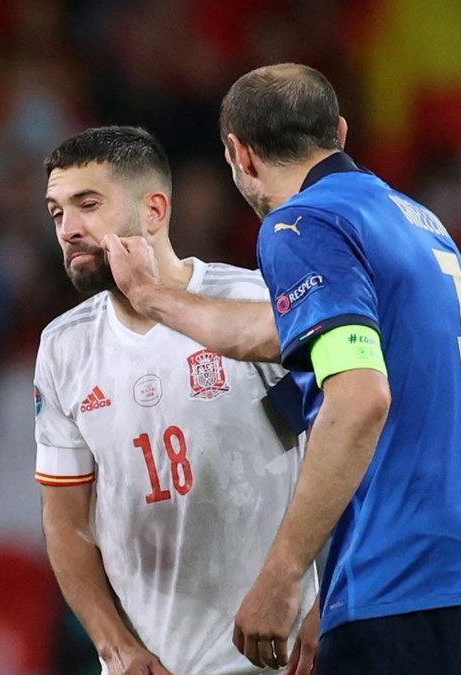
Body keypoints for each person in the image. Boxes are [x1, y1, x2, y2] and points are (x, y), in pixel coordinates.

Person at [105, 64, 461, 673]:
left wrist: (283, 577)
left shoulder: (303, 223)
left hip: (402, 582)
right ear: (338, 130)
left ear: (240, 154)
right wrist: (153, 297)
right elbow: (277, 332)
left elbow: (360, 396)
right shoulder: (417, 223)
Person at [36, 126, 319, 675]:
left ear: (154, 210)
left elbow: (347, 455)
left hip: (275, 654)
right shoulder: (63, 348)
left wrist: (327, 604)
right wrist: (115, 647)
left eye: (87, 205)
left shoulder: (257, 305)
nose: (69, 229)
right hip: (152, 665)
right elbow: (65, 523)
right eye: (56, 213)